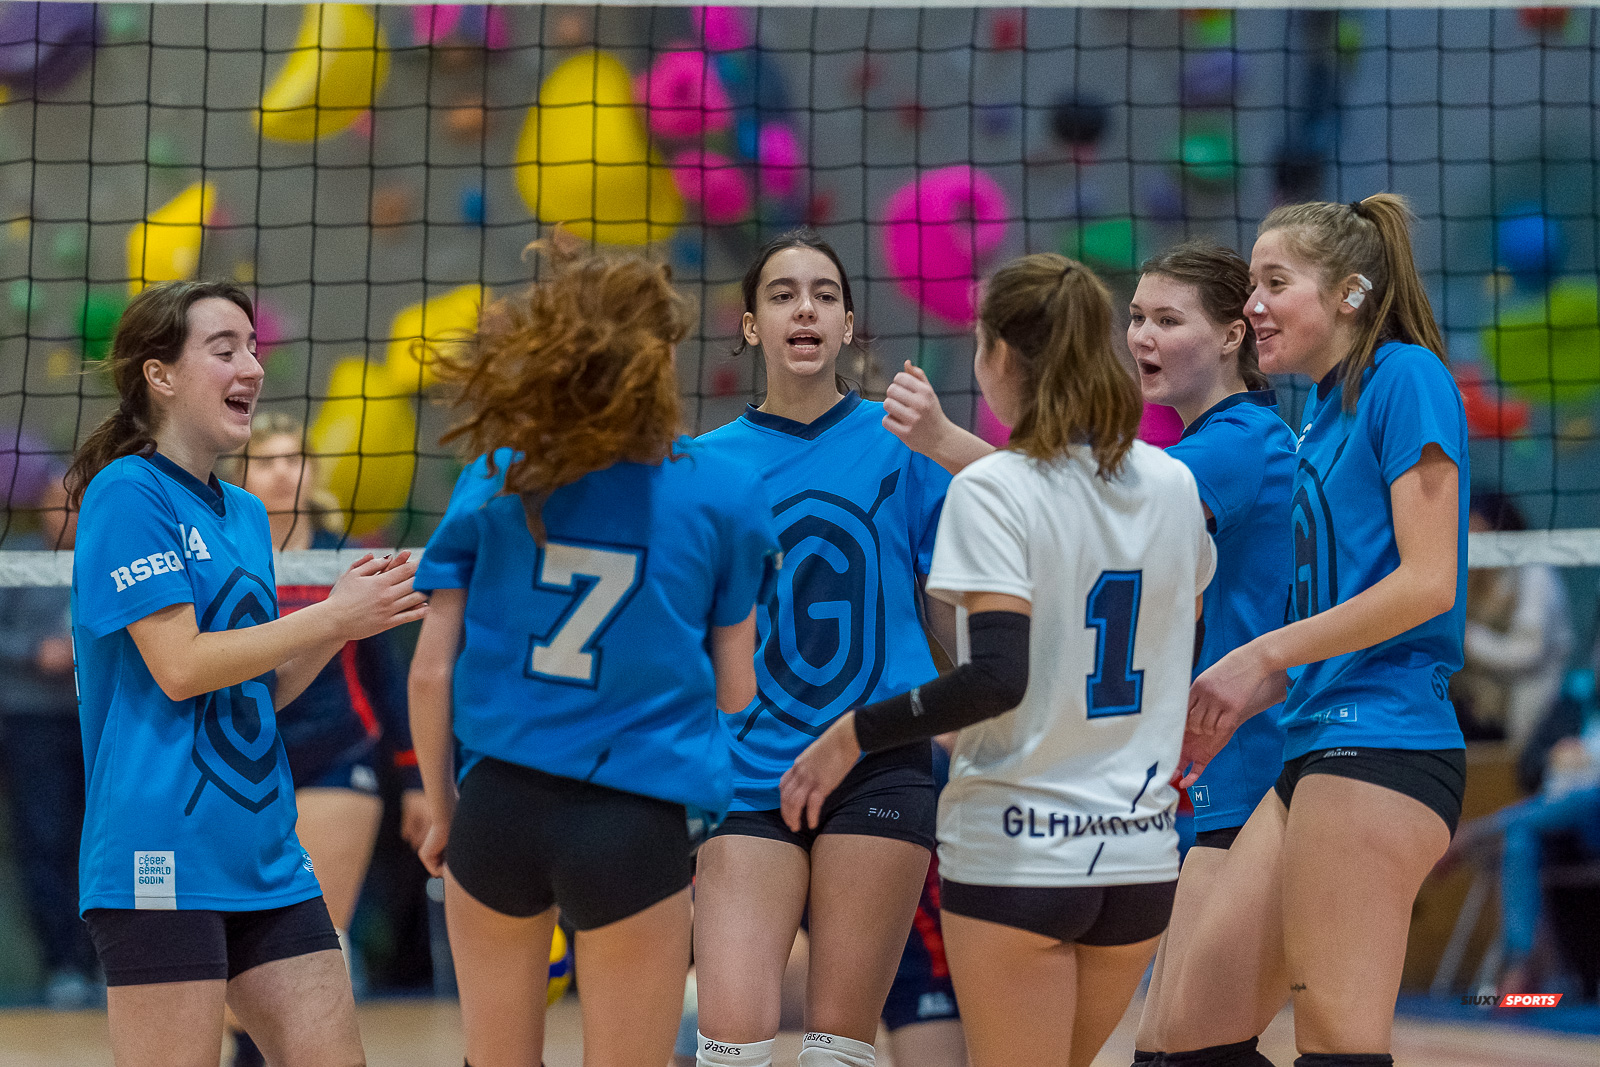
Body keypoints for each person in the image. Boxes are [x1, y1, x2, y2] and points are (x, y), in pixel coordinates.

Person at [783, 251, 1216, 1067]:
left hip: (1021, 849)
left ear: (1001, 358)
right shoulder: (1171, 484)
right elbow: (1179, 638)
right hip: (1139, 857)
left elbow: (994, 677)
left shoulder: (992, 492)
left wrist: (851, 734)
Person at [408, 245, 780, 1067]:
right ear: (662, 358)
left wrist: (441, 809)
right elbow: (735, 690)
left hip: (497, 805)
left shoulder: (498, 474)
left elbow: (432, 669)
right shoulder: (722, 492)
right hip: (632, 817)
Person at [66, 279, 425, 1067]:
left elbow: (261, 690)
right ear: (160, 375)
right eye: (224, 349)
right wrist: (330, 616)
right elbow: (181, 665)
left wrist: (349, 621)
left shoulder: (246, 513)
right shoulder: (127, 491)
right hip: (158, 851)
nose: (252, 366)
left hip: (264, 852)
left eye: (253, 347)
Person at [1181, 194, 1468, 1067]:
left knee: (1338, 1047)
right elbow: (1326, 612)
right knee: (1187, 1044)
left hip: (1383, 741)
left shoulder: (1404, 376)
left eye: (1275, 282)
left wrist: (1263, 651)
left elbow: (1426, 582)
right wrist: (1228, 697)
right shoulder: (1318, 418)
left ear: (1348, 293)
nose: (1252, 303)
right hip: (1307, 744)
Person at [690, 229, 987, 1067]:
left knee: (836, 1045)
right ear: (750, 325)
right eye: (782, 295)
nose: (805, 308)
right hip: (750, 768)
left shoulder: (908, 441)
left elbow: (952, 598)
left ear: (849, 323)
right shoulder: (705, 465)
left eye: (823, 293)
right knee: (731, 1043)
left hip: (880, 760)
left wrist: (976, 713)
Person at [1123, 244, 1296, 1065]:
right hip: (1225, 777)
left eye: (1167, 318)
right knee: (1174, 1053)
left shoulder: (1236, 442)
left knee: (1187, 1053)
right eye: (1135, 317)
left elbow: (1098, 521)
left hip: (1264, 770)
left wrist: (947, 445)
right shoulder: (1228, 441)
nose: (1141, 337)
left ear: (1232, 336)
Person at [223, 413, 430, 1067]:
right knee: (235, 964)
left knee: (309, 944)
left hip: (341, 755)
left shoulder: (350, 559)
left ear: (314, 474)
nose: (283, 470)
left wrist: (417, 779)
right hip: (244, 762)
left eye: (295, 458)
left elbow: (388, 679)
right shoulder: (227, 554)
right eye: (267, 459)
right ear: (242, 474)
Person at [0, 453, 99, 1008]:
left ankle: (106, 961)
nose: (67, 513)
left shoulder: (109, 561)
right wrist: (35, 654)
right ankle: (63, 965)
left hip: (97, 717)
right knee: (44, 839)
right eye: (57, 503)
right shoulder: (16, 560)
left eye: (77, 504)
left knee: (101, 840)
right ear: (40, 508)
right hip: (31, 718)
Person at [1449, 490, 1572, 749]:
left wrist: (1468, 638)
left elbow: (1529, 652)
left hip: (1532, 712)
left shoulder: (1535, 574)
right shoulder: (1470, 572)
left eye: (1477, 531)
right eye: (1465, 531)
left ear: (1500, 530)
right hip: (1478, 711)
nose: (1469, 539)